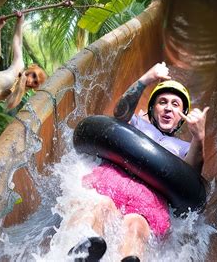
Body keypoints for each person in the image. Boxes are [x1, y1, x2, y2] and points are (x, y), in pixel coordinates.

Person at [69, 62, 209, 262]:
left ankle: (130, 258)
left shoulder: (185, 148)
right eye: (162, 102)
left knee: (136, 226)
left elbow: (191, 177)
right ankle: (86, 249)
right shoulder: (136, 124)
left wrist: (199, 138)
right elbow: (119, 113)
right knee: (102, 205)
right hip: (113, 182)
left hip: (148, 200)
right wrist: (146, 79)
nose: (168, 108)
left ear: (182, 118)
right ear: (152, 108)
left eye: (175, 105)